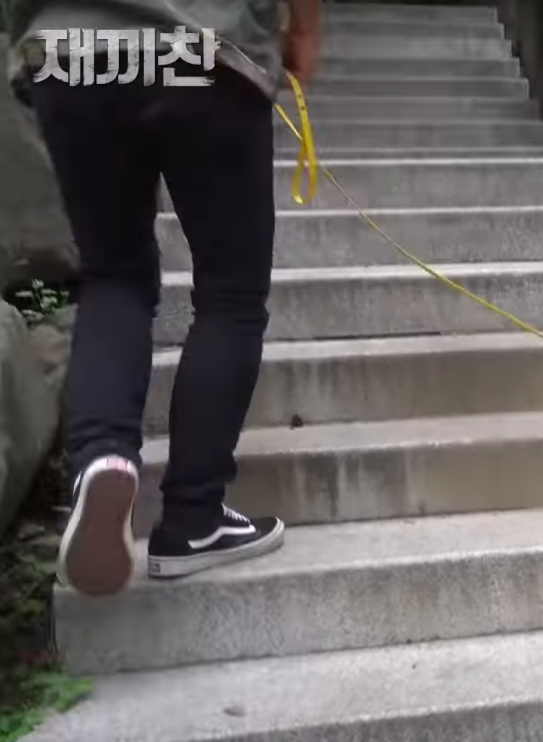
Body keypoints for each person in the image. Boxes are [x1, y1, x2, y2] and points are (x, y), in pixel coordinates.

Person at [2, 0, 322, 596]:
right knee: (230, 294)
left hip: (73, 53)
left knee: (113, 278)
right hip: (204, 48)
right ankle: (194, 518)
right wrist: (301, 30)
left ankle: (101, 460)